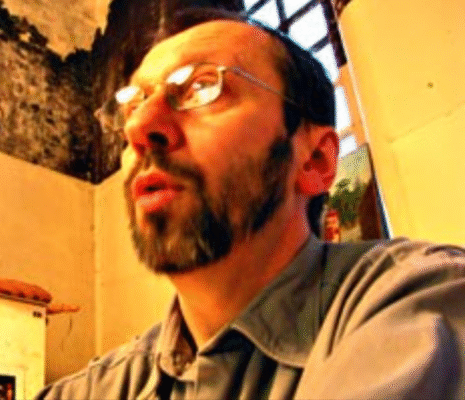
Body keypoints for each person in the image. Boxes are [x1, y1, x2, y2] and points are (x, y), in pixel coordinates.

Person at [36, 8, 465, 400]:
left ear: (315, 160)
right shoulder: (102, 386)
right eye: (134, 104)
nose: (139, 127)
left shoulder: (418, 303)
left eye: (203, 86)